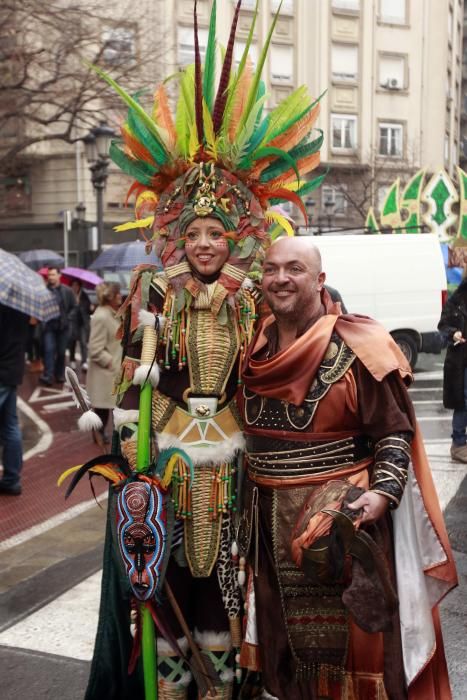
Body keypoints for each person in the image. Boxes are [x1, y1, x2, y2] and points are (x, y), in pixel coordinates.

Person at [74, 4, 325, 699]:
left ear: (233, 235)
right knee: (165, 570)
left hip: (240, 452)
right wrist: (126, 440)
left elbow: (281, 354)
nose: (206, 244)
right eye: (195, 234)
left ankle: (226, 681)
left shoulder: (252, 294)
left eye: (217, 233)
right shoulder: (152, 290)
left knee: (231, 573)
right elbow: (132, 374)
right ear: (178, 236)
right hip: (169, 456)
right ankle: (176, 681)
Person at [239, 237, 457, 699]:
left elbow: (394, 432)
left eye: (294, 268)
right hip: (270, 532)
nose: (281, 278)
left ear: (319, 280)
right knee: (287, 658)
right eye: (272, 269)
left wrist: (383, 495)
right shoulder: (252, 348)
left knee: (362, 656)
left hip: (347, 528)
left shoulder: (361, 344)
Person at [86, 282, 122, 443]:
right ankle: (98, 435)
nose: (121, 296)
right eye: (117, 294)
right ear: (110, 298)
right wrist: (110, 363)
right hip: (105, 373)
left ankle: (101, 435)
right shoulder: (101, 316)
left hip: (111, 371)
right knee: (102, 407)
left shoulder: (112, 313)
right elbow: (95, 348)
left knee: (107, 407)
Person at [0, 304, 30, 495]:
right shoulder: (22, 308)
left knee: (10, 427)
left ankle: (11, 479)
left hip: (1, 371)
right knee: (10, 426)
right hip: (13, 372)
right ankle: (11, 479)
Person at [438, 278, 467, 462]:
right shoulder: (456, 301)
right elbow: (443, 325)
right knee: (463, 400)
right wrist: (453, 333)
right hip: (461, 361)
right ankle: (458, 443)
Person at [39, 267, 75, 386]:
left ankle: (59, 374)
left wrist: (68, 318)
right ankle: (48, 376)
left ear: (59, 275)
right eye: (49, 275)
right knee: (48, 351)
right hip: (49, 327)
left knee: (61, 352)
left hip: (63, 328)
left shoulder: (67, 291)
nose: (50, 277)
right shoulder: (43, 291)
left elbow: (74, 307)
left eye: (53, 275)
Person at [68, 279, 91, 372]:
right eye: (73, 285)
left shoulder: (84, 295)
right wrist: (75, 304)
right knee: (72, 342)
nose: (75, 287)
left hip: (82, 323)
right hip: (73, 322)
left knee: (83, 342)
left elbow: (88, 308)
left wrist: (79, 304)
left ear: (79, 286)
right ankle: (72, 360)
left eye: (76, 285)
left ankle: (84, 362)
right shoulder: (69, 295)